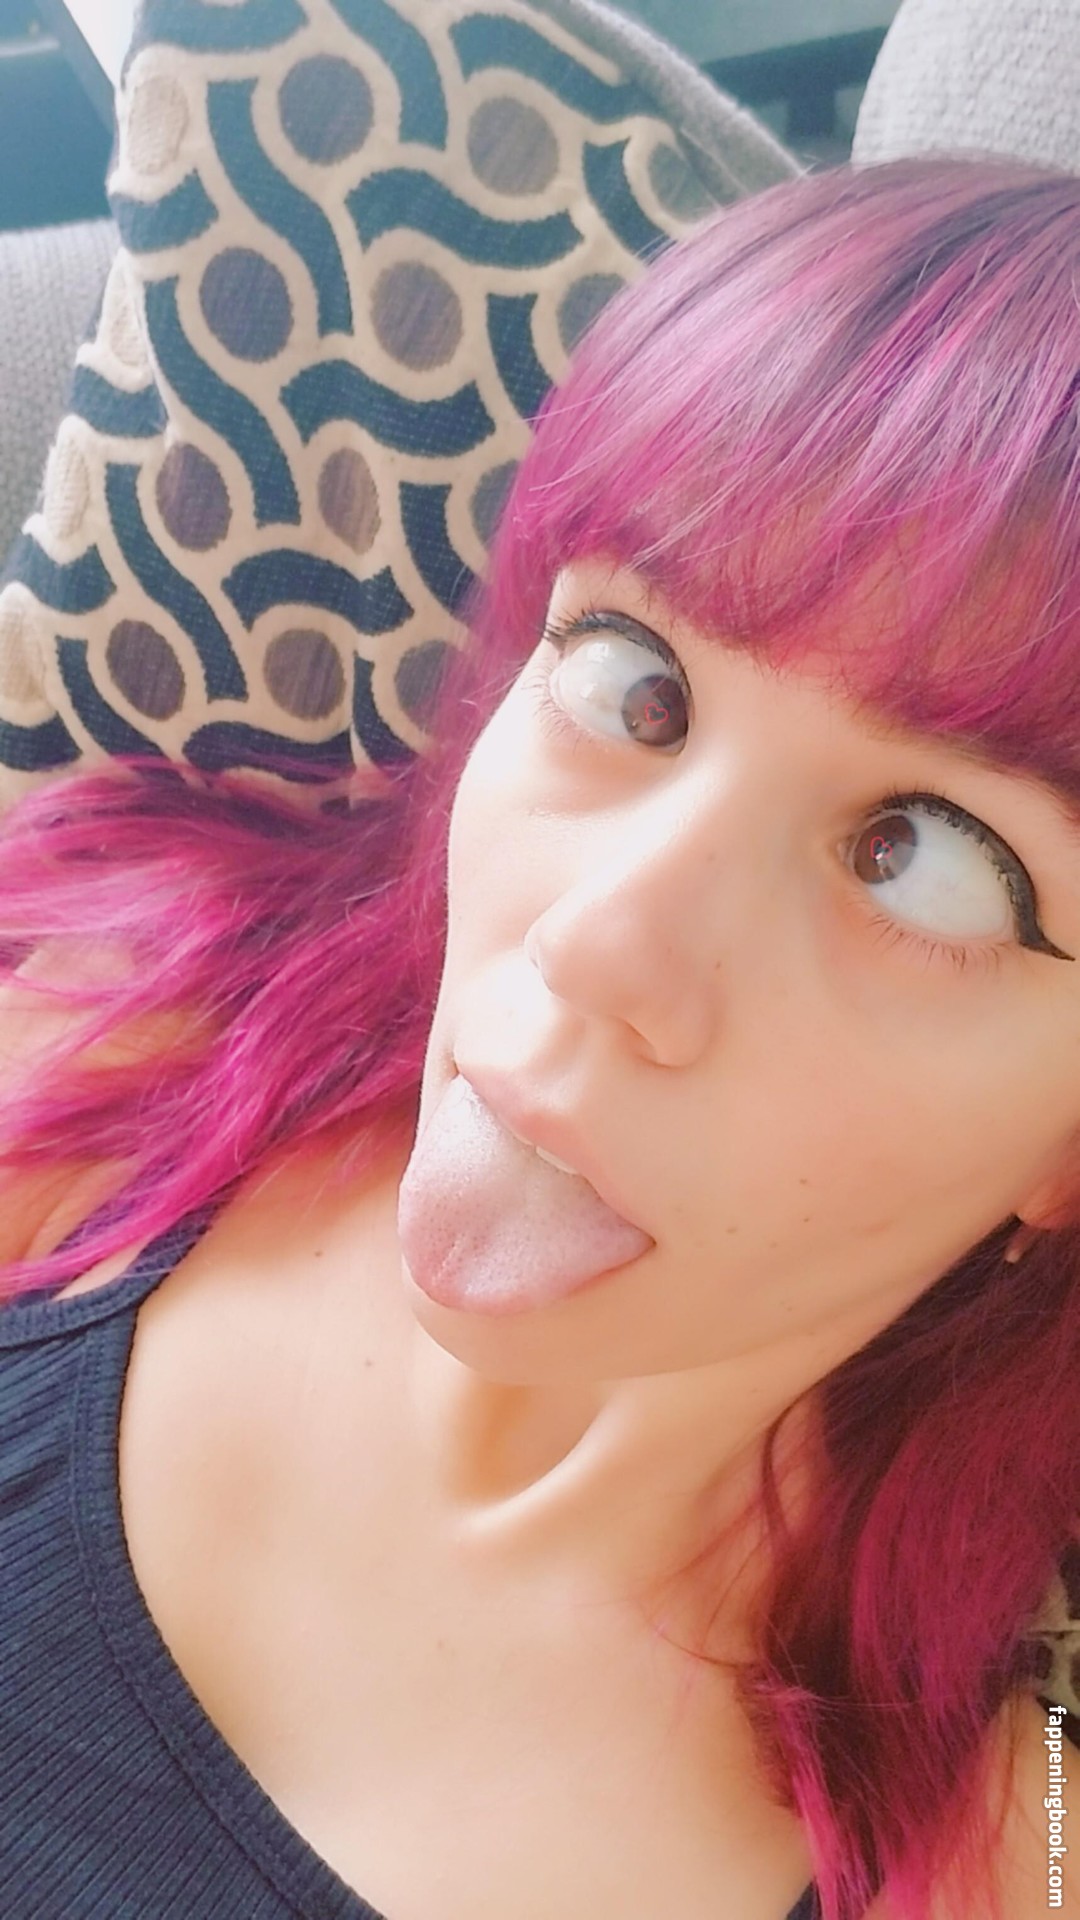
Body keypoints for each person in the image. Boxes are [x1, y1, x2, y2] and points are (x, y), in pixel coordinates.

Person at [1, 154, 1079, 1920]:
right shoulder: (98, 1038)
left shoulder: (995, 1868)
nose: (591, 943)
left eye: (930, 858)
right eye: (633, 683)